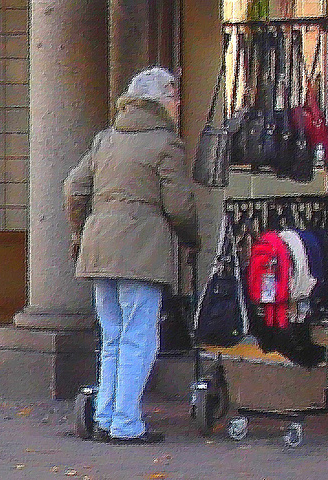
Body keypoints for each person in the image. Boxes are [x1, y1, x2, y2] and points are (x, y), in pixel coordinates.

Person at [63, 67, 199, 444]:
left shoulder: (105, 139)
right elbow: (179, 204)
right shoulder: (165, 143)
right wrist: (192, 238)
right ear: (162, 100)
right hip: (141, 249)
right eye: (174, 97)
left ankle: (106, 416)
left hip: (99, 247)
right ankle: (126, 423)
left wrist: (80, 230)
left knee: (112, 336)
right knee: (139, 337)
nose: (178, 105)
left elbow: (74, 188)